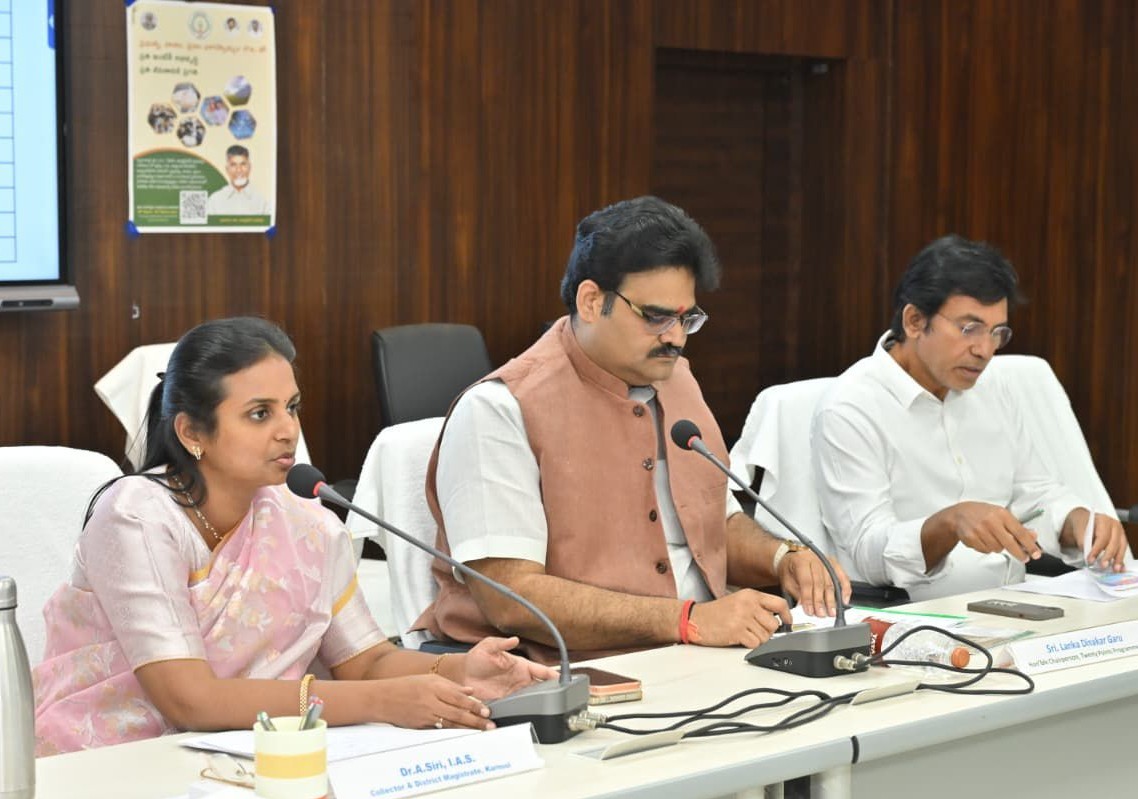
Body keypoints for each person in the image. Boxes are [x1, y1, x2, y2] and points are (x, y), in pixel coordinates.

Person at [33, 317, 554, 756]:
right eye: (260, 413)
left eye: (292, 407)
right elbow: (189, 701)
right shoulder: (138, 518)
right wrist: (383, 702)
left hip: (256, 753)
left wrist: (461, 670)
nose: (288, 430)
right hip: (113, 759)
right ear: (191, 432)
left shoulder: (306, 523)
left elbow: (367, 661)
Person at [414, 196, 851, 662]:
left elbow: (715, 525)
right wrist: (687, 620)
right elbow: (511, 599)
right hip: (564, 671)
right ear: (591, 301)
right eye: (656, 316)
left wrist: (783, 558)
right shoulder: (499, 411)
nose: (675, 338)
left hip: (699, 653)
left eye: (687, 319)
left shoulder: (677, 380)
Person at [811, 234, 1129, 600]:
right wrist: (948, 524)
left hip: (1013, 600)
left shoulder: (995, 387)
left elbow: (1033, 495)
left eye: (997, 333)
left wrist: (1076, 522)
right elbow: (867, 552)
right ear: (914, 321)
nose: (985, 350)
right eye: (969, 329)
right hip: (912, 614)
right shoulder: (851, 407)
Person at [206, 145, 270, 217]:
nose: (239, 170)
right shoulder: (214, 200)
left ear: (249, 167)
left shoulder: (262, 200)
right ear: (227, 169)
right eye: (233, 165)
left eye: (243, 164)